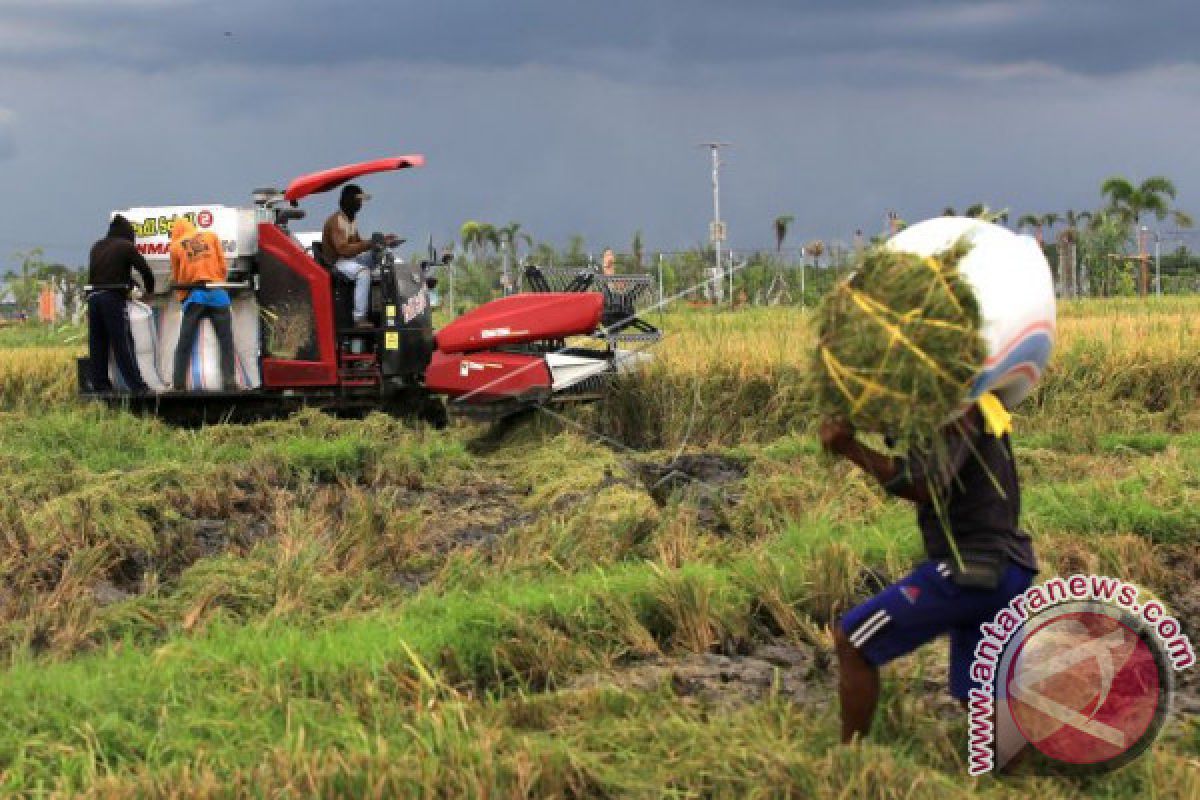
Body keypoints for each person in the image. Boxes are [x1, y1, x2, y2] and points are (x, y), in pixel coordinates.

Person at [819, 402, 1037, 743]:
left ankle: (849, 760)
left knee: (854, 640)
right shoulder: (978, 406)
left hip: (971, 571)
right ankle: (1022, 778)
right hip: (1009, 569)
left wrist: (850, 447)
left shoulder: (957, 409)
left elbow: (924, 483)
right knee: (980, 696)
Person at [86, 214, 155, 393]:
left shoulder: (97, 246)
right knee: (121, 342)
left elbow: (108, 272)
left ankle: (100, 385)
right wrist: (149, 291)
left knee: (97, 343)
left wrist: (131, 283)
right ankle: (137, 386)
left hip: (93, 298)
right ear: (128, 234)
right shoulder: (126, 247)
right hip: (111, 298)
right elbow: (145, 270)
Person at [170, 218, 236, 391]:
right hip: (218, 294)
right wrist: (218, 282)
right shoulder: (211, 236)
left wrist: (183, 298)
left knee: (185, 342)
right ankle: (230, 382)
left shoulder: (176, 246)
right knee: (226, 342)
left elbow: (178, 277)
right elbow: (222, 265)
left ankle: (178, 385)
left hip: (196, 295)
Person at [321, 184, 395, 328]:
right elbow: (343, 250)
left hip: (349, 259)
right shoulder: (337, 221)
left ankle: (383, 307)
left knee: (378, 254)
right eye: (358, 200)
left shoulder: (351, 219)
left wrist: (382, 242)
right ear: (349, 200)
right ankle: (359, 318)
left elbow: (358, 243)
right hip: (337, 262)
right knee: (364, 273)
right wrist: (369, 243)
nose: (361, 204)